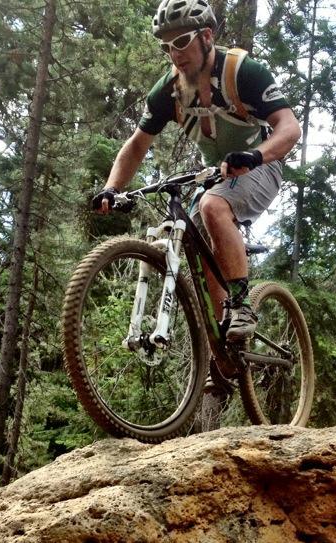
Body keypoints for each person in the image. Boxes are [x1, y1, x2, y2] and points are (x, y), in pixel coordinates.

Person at [92, 0, 301, 342]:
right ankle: (222, 343)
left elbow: (289, 128)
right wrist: (112, 188)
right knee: (195, 241)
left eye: (181, 42)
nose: (174, 54)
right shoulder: (168, 91)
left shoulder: (242, 72)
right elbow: (137, 145)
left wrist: (254, 157)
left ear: (206, 36)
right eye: (166, 47)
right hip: (216, 173)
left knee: (212, 206)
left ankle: (241, 305)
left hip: (263, 163)